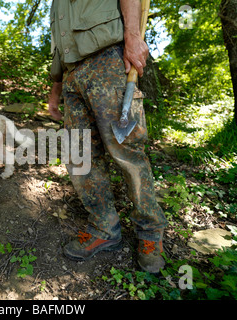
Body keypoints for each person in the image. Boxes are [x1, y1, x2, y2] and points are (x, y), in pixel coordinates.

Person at [48, 0, 168, 274]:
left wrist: (133, 37)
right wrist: (55, 89)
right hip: (71, 76)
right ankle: (104, 227)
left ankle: (150, 233)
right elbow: (58, 46)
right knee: (79, 156)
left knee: (127, 151)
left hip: (109, 60)